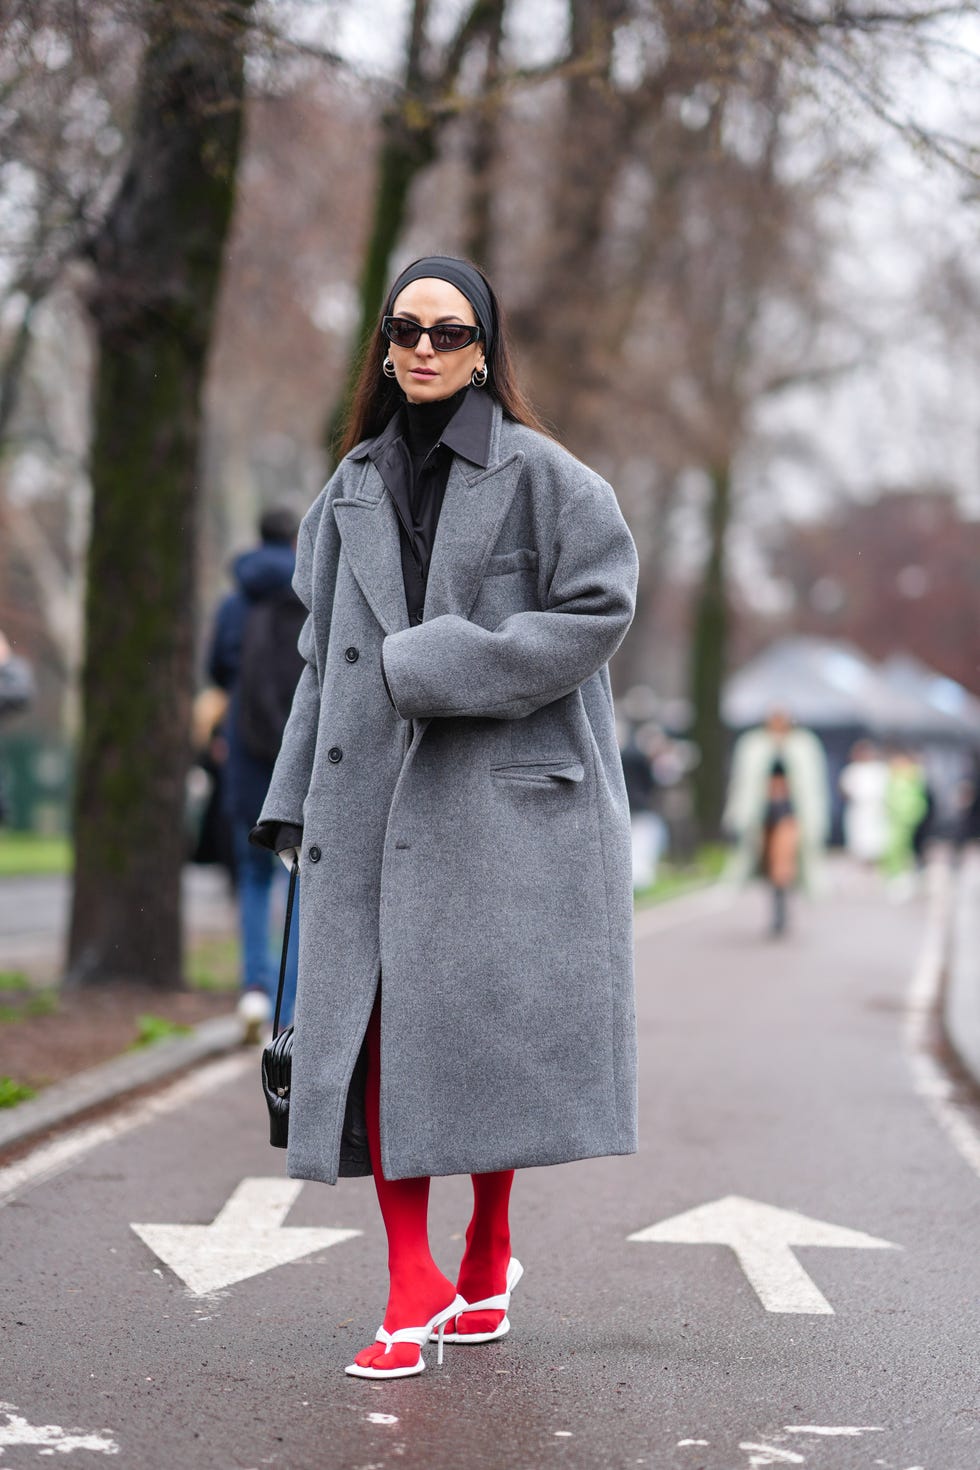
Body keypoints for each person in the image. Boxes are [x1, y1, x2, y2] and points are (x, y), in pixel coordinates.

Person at [250, 255, 639, 1380]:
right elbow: (323, 664)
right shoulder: (347, 491)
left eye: (449, 331)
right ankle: (410, 1275)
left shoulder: (550, 480)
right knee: (380, 1039)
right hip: (369, 801)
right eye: (405, 327)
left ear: (482, 349)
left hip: (505, 802)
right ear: (383, 344)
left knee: (483, 1037)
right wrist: (291, 809)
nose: (424, 347)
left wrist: (443, 662)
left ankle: (488, 1247)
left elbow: (597, 610)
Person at [207, 505, 305, 1040]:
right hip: (300, 755)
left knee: (251, 875)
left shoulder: (234, 603)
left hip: (245, 755)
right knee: (300, 880)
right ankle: (288, 1012)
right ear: (294, 541)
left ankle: (253, 991)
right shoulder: (313, 592)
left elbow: (216, 671)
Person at [723, 708, 830, 935]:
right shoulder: (753, 745)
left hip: (790, 811)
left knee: (784, 859)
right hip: (761, 812)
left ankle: (781, 911)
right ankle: (776, 905)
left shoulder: (803, 745)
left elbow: (813, 785)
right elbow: (742, 782)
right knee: (767, 861)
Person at [839, 740, 889, 866]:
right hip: (859, 811)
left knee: (877, 842)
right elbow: (844, 791)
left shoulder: (880, 769)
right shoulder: (852, 770)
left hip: (877, 811)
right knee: (859, 843)